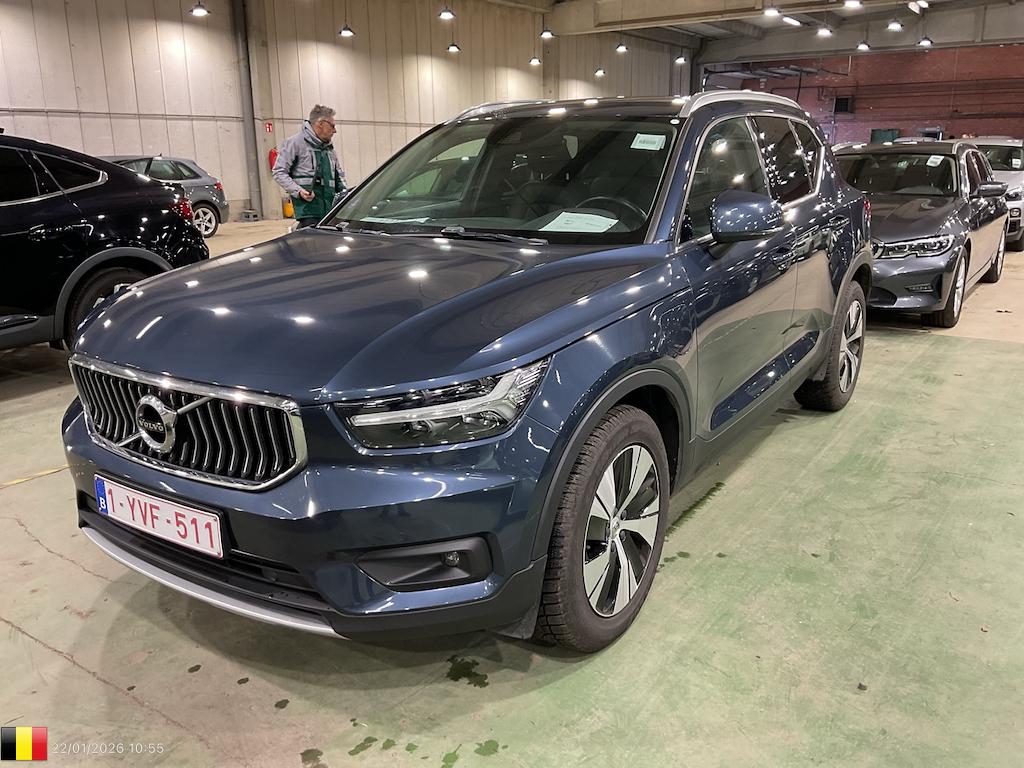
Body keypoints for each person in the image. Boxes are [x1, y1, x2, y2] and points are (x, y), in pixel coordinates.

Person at [272, 105, 347, 228]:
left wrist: (346, 197)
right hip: (308, 211)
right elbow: (279, 172)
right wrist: (298, 191)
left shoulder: (329, 148)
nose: (335, 131)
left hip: (331, 211)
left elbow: (339, 177)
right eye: (332, 126)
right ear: (321, 124)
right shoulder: (295, 143)